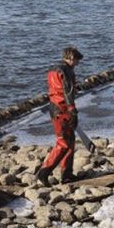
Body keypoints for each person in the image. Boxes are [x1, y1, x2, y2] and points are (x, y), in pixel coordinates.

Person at [37, 46, 83, 186]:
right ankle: (44, 172)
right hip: (62, 109)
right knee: (63, 142)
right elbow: (67, 92)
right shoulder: (66, 71)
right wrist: (73, 111)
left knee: (70, 140)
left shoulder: (53, 69)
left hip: (54, 106)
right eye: (76, 61)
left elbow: (57, 89)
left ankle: (67, 174)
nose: (77, 64)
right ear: (70, 58)